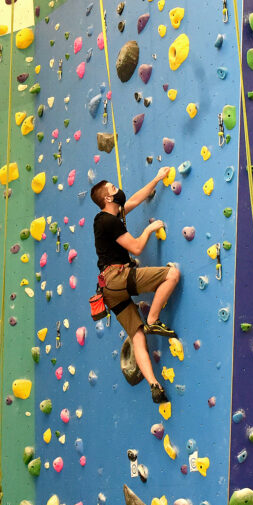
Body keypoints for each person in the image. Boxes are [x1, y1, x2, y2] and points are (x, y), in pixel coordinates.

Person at [91, 167, 181, 404]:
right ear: (108, 198)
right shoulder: (107, 221)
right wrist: (150, 229)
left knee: (136, 334)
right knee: (171, 274)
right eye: (113, 188)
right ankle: (152, 319)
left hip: (108, 291)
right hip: (117, 278)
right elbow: (137, 248)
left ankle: (154, 386)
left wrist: (156, 179)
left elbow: (134, 199)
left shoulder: (109, 218)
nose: (117, 189)